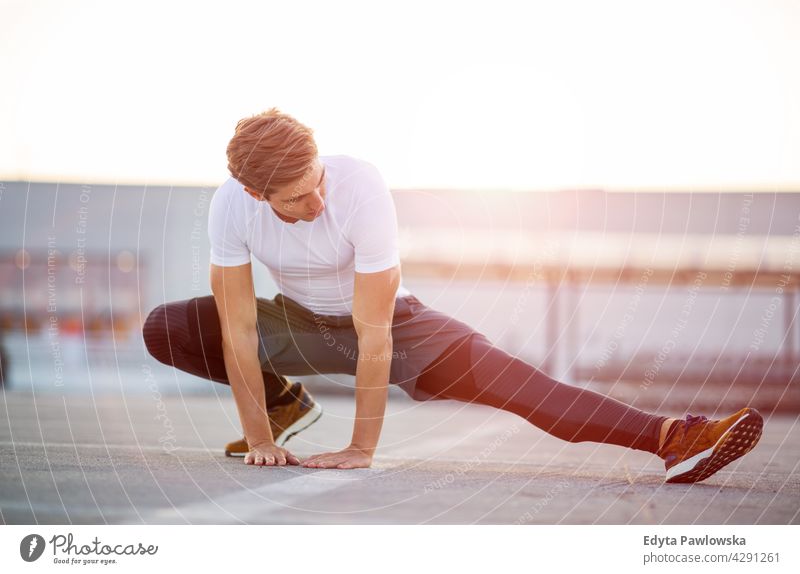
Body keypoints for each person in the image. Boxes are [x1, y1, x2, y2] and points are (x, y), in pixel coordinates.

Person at [143, 108, 763, 484]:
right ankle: (287, 405)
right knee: (169, 326)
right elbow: (237, 329)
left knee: (526, 389)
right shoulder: (232, 206)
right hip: (301, 323)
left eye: (317, 183)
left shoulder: (358, 186)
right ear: (257, 196)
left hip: (398, 326)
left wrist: (362, 447)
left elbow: (376, 330)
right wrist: (258, 441)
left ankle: (676, 439)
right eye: (298, 200)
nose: (319, 204)